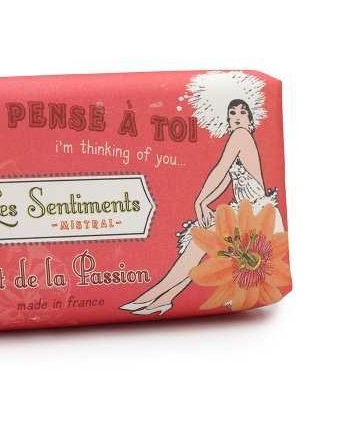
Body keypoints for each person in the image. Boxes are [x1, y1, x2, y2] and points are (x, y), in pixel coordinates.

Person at [120, 97, 283, 316]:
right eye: (232, 113)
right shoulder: (239, 145)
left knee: (199, 241)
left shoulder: (241, 136)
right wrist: (204, 201)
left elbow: (220, 169)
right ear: (227, 120)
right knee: (198, 242)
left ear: (251, 120)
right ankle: (164, 299)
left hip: (256, 217)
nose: (237, 117)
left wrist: (199, 201)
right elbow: (225, 179)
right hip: (248, 215)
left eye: (242, 112)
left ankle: (154, 294)